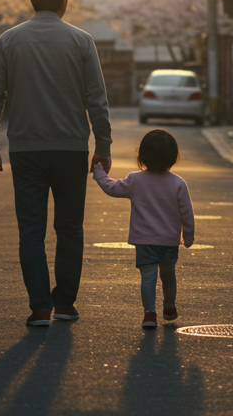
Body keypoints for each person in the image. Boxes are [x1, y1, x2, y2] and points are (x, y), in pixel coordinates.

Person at [0, 0, 112, 327]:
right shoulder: (82, 41)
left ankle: (40, 306)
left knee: (32, 230)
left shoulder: (9, 40)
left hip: (26, 149)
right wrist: (103, 144)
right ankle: (65, 303)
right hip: (71, 148)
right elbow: (96, 99)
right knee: (70, 228)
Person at [91, 129, 195, 328]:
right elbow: (187, 214)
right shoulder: (178, 183)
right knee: (168, 274)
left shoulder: (135, 180)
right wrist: (188, 237)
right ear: (173, 156)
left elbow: (111, 188)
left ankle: (149, 314)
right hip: (169, 241)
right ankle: (169, 306)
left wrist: (99, 172)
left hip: (144, 240)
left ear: (142, 156)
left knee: (148, 277)